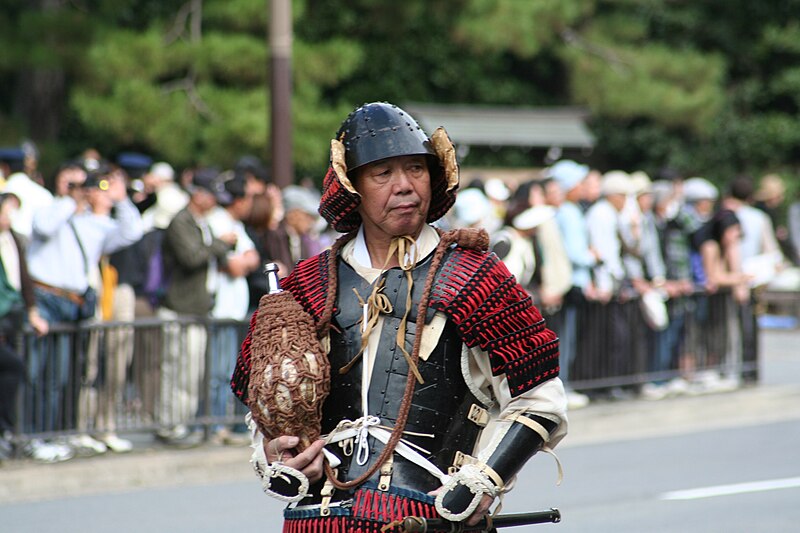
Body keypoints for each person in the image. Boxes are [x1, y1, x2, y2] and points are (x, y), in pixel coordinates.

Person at [231, 102, 567, 531]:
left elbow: (541, 398)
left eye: (415, 169)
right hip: (319, 520)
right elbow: (266, 406)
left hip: (429, 517)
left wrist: (483, 479)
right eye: (382, 173)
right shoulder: (311, 284)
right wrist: (279, 454)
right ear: (352, 185)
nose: (405, 186)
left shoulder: (474, 274)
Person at [156, 167, 236, 445]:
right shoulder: (180, 221)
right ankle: (169, 426)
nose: (215, 201)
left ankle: (183, 424)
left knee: (191, 374)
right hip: (179, 307)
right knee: (175, 371)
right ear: (197, 194)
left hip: (198, 308)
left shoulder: (202, 222)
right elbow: (191, 258)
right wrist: (220, 244)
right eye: (211, 195)